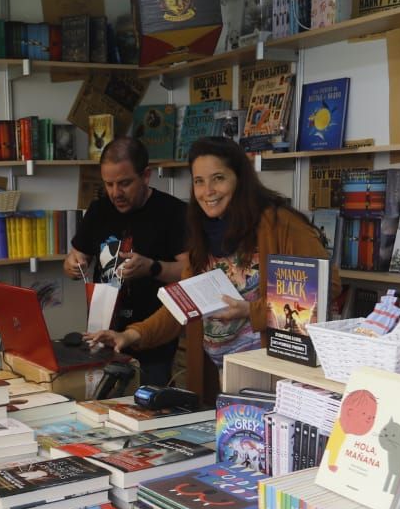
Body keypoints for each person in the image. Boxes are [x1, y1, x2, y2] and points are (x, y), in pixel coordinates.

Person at [85, 136, 338, 375]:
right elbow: (183, 304)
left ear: (239, 178)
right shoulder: (201, 230)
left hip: (275, 373)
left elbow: (327, 287)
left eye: (218, 178)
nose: (208, 191)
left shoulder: (281, 225)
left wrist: (252, 311)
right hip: (221, 374)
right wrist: (129, 336)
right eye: (199, 181)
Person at [63, 137, 189, 387]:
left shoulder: (173, 212)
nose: (115, 193)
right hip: (102, 335)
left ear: (146, 176)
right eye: (108, 184)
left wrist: (153, 268)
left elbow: (191, 273)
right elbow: (73, 258)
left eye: (124, 183)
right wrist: (73, 264)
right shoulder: (99, 210)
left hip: (154, 340)